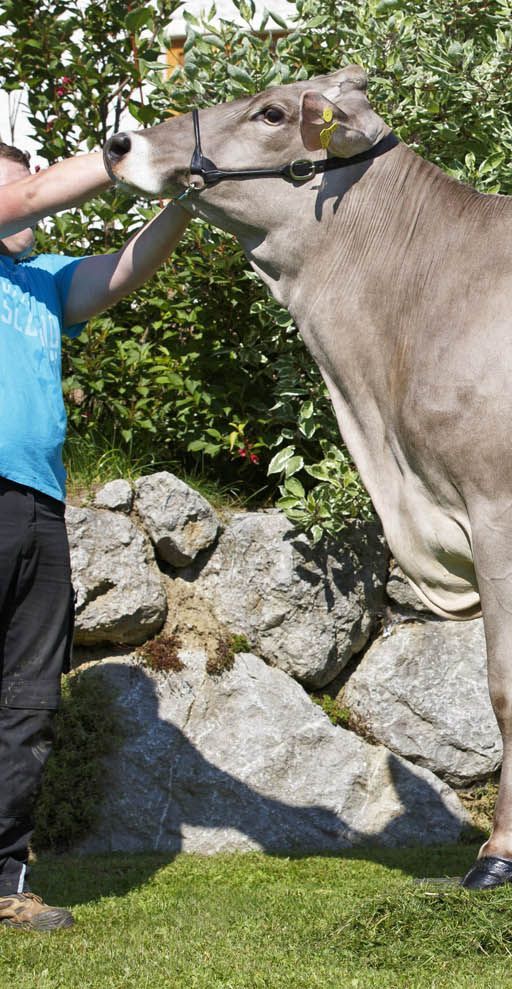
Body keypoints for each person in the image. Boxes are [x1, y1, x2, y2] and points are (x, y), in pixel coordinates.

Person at [0, 140, 192, 932]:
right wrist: (128, 155)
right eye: (20, 187)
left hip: (39, 508)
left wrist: (183, 196)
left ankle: (4, 884)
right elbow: (35, 194)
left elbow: (122, 270)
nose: (36, 201)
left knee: (27, 702)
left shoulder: (40, 283)